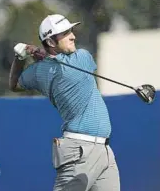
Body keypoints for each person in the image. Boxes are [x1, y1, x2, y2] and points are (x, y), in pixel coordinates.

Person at [9, 14, 120, 191]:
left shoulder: (38, 71)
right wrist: (40, 54)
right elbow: (61, 67)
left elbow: (14, 84)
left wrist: (20, 57)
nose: (73, 36)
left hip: (105, 152)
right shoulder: (81, 58)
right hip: (79, 151)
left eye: (71, 31)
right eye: (65, 33)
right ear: (51, 42)